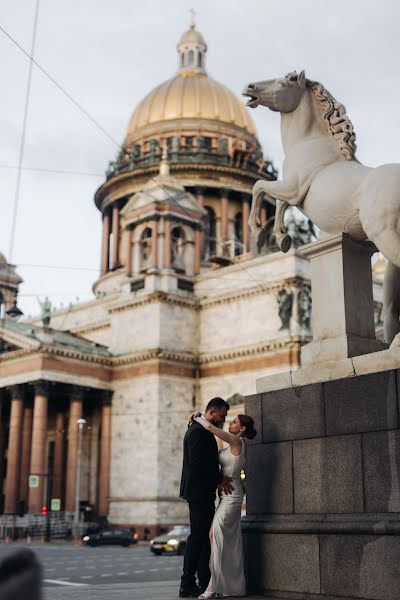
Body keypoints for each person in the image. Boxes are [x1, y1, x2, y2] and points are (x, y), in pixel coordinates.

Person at [193, 412, 257, 599]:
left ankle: (213, 586)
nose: (230, 423)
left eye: (235, 422)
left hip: (232, 496)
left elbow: (211, 428)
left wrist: (197, 417)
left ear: (242, 429)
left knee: (216, 535)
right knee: (222, 539)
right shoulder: (233, 444)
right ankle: (229, 585)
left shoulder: (238, 442)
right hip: (226, 496)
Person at [179, 397, 233, 598]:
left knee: (202, 539)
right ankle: (186, 583)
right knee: (197, 538)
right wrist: (220, 478)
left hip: (200, 491)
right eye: (223, 415)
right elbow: (198, 464)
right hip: (198, 492)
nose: (224, 418)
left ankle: (203, 582)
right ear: (213, 412)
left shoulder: (199, 428)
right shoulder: (198, 432)